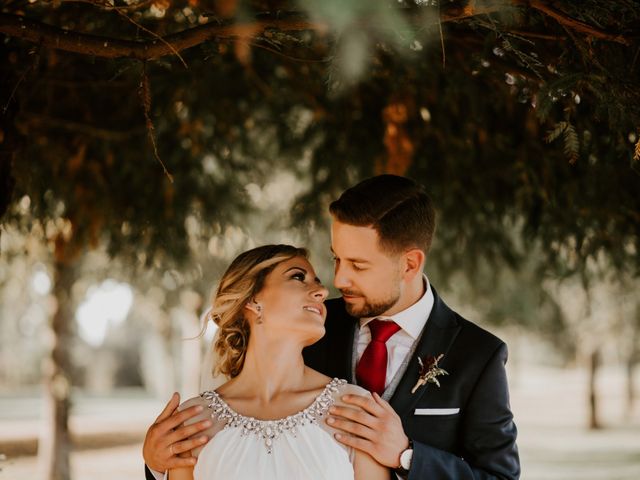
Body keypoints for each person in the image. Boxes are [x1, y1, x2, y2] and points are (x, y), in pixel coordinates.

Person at [144, 175, 520, 480]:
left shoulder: (478, 355)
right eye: (337, 259)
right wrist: (156, 465)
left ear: (409, 264)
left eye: (358, 265)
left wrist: (407, 456)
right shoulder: (311, 325)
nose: (337, 281)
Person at [164, 244, 388, 480]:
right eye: (298, 277)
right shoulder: (193, 421)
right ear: (252, 300)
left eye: (317, 281)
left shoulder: (354, 410)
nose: (322, 291)